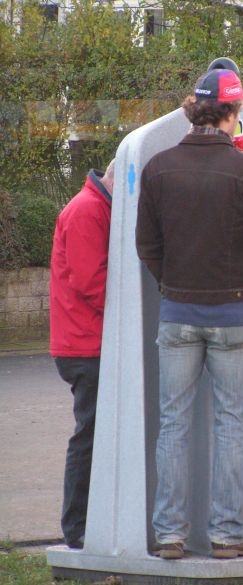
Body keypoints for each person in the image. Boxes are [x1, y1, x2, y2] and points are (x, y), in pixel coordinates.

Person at [136, 68, 243, 560]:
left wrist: (172, 285)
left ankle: (169, 535)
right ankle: (226, 535)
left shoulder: (158, 167)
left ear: (195, 109)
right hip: (234, 317)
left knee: (173, 425)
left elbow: (147, 245)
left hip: (177, 315)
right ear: (235, 111)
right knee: (230, 426)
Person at [49, 159, 115, 549]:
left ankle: (88, 522)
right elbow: (92, 282)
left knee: (93, 433)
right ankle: (77, 528)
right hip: (86, 344)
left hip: (85, 339)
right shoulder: (88, 210)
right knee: (89, 436)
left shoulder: (94, 206)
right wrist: (135, 316)